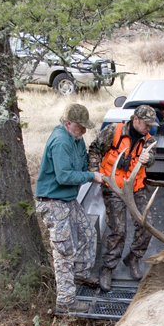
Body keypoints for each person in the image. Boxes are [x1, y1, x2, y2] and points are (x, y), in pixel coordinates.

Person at [35, 104, 104, 315]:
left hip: (68, 200)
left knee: (87, 233)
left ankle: (81, 274)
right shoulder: (60, 142)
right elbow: (64, 176)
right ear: (68, 124)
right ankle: (65, 301)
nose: (84, 131)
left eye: (85, 127)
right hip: (53, 201)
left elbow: (82, 165)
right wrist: (91, 177)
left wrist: (93, 170)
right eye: (80, 127)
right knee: (64, 251)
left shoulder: (76, 139)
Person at [88, 105, 157, 292]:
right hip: (114, 187)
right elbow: (94, 149)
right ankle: (108, 268)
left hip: (136, 187)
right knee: (119, 230)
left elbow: (152, 160)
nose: (149, 128)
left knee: (147, 224)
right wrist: (95, 172)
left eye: (152, 124)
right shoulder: (114, 131)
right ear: (136, 120)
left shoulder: (150, 140)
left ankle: (133, 257)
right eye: (146, 124)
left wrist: (147, 158)